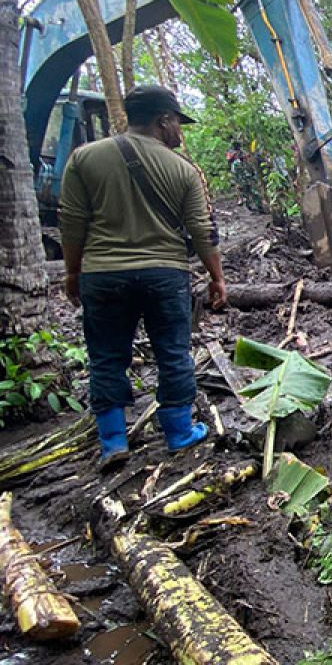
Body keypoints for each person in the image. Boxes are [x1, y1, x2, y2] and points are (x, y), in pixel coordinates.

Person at [59, 85, 224, 471]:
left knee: (106, 357)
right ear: (162, 120)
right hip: (164, 274)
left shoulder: (85, 159)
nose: (179, 133)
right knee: (172, 351)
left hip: (103, 274)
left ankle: (113, 441)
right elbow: (202, 230)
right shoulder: (182, 170)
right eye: (177, 123)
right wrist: (217, 277)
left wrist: (72, 272)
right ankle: (180, 432)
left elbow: (71, 222)